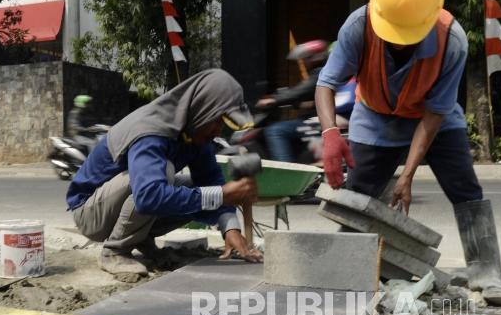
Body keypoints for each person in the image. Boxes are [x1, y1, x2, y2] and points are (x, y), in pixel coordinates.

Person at [315, 0, 501, 306]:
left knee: (464, 186)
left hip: (433, 117)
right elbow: (326, 84)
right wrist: (331, 132)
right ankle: (351, 265)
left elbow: (436, 112)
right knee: (360, 192)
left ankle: (487, 272)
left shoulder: (452, 40)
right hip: (375, 114)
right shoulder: (359, 25)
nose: (398, 42)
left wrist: (408, 174)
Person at [67, 69, 263, 275]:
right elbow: (148, 196)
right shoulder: (151, 131)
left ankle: (141, 240)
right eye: (217, 122)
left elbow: (211, 181)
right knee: (164, 177)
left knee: (199, 190)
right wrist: (222, 195)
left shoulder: (196, 135)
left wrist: (230, 228)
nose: (218, 132)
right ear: (202, 109)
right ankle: (115, 251)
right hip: (90, 213)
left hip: (122, 202)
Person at [258, 40, 329, 162]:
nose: (305, 62)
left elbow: (299, 92)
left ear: (316, 57)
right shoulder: (320, 73)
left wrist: (274, 99)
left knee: (275, 131)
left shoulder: (320, 73)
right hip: (316, 119)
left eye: (307, 58)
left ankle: (286, 171)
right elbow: (304, 94)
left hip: (316, 122)